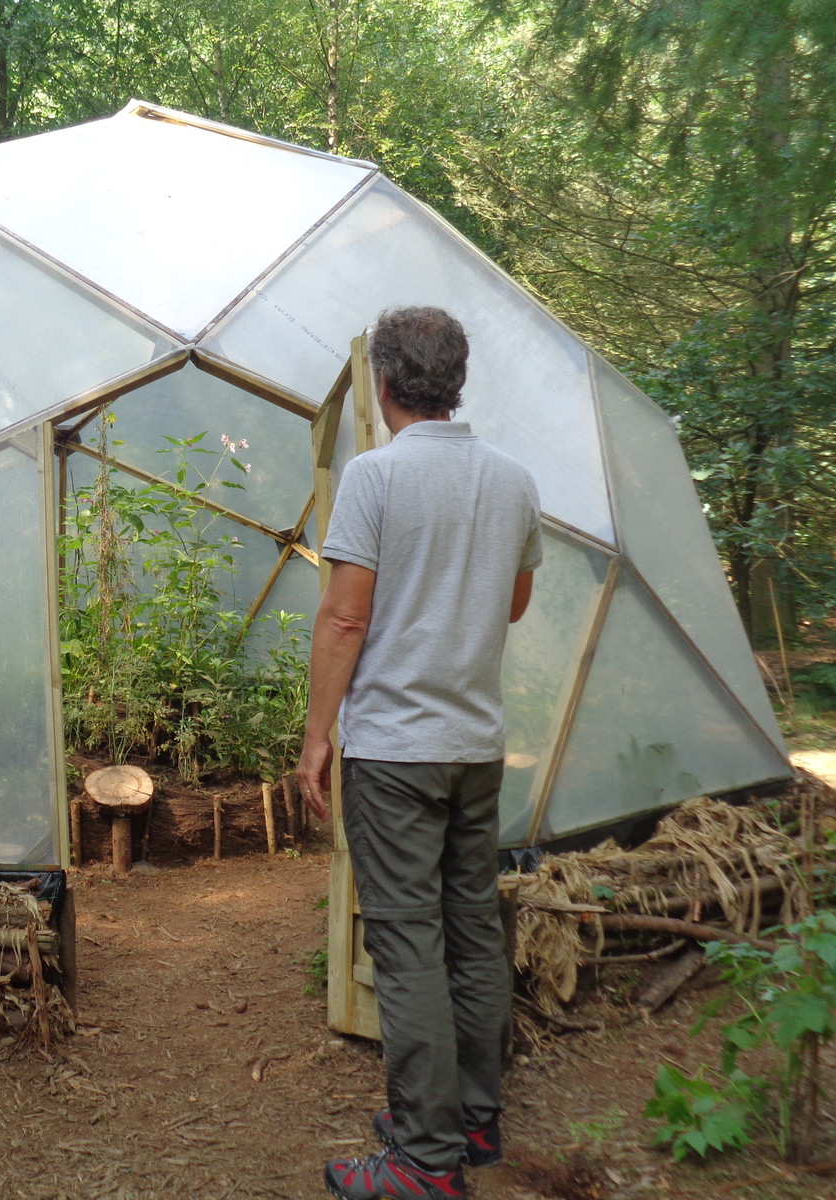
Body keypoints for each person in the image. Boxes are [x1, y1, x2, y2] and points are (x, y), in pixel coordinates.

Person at [295, 306, 542, 1200]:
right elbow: (512, 603)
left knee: (406, 943)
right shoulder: (512, 480)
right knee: (471, 931)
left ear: (385, 382)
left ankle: (425, 1163)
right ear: (454, 382)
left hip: (396, 751)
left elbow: (345, 617)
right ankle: (472, 1121)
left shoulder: (376, 476)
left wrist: (315, 738)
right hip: (474, 747)